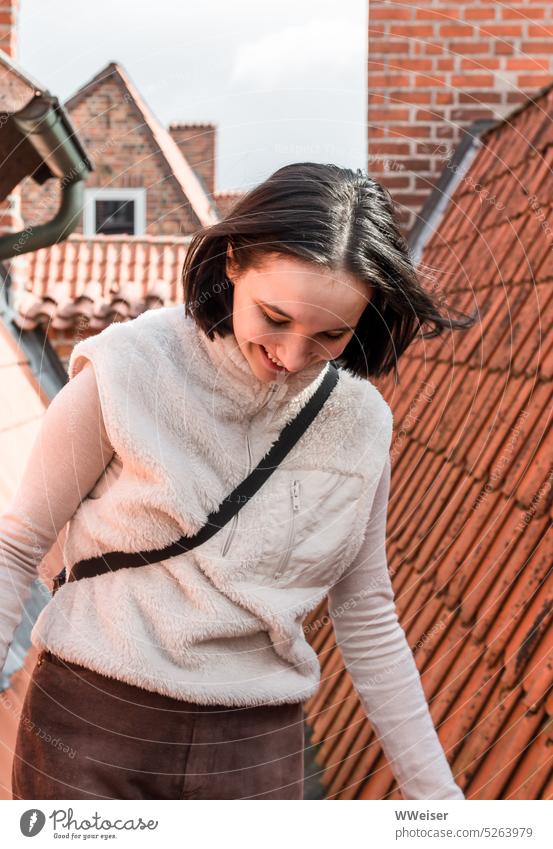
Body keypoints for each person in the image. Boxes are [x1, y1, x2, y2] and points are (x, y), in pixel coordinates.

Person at [1, 163, 474, 800]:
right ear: (232, 262)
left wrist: (441, 806)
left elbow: (365, 610)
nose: (293, 356)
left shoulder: (361, 423)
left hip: (256, 754)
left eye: (330, 334)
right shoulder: (130, 368)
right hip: (90, 728)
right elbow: (17, 544)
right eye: (274, 318)